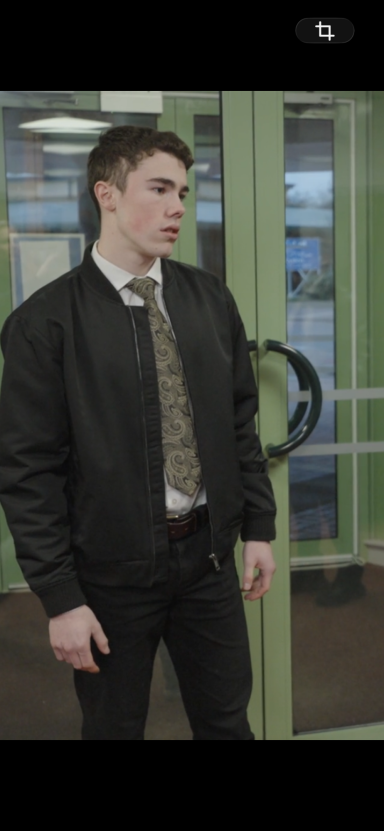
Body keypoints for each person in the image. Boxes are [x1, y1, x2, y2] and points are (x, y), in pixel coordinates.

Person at [0, 126, 277, 741]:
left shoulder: (209, 300)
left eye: (183, 190)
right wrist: (60, 596)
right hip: (108, 579)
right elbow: (27, 472)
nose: (178, 206)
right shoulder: (43, 324)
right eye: (159, 188)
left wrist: (257, 527)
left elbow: (239, 424)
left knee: (228, 724)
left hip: (207, 562)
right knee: (113, 728)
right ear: (108, 193)